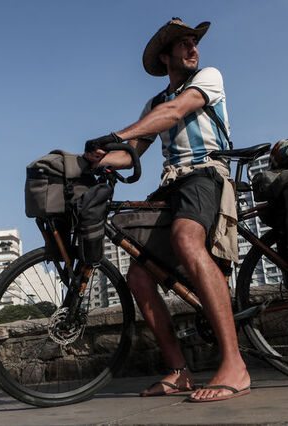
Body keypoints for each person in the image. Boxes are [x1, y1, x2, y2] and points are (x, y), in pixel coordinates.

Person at [84, 17, 251, 403]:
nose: (193, 49)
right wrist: (97, 158)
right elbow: (132, 153)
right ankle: (179, 372)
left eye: (194, 42)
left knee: (185, 239)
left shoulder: (208, 78)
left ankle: (235, 365)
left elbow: (177, 111)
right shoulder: (153, 104)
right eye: (184, 44)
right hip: (173, 184)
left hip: (206, 174)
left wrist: (117, 134)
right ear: (165, 56)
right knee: (139, 274)